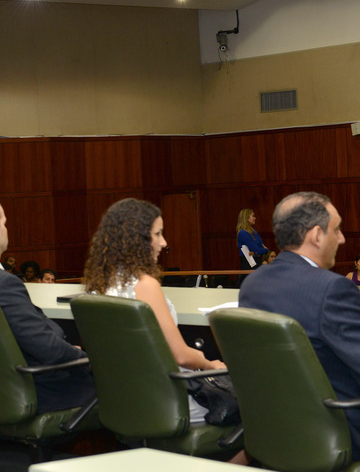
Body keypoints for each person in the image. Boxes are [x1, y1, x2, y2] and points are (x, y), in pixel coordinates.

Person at [0, 197, 95, 413]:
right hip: (35, 387)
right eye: (5, 223)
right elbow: (46, 347)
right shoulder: (2, 283)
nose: (6, 229)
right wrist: (86, 359)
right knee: (118, 384)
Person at [240, 192, 360, 460]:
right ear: (316, 235)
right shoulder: (332, 289)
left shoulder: (253, 284)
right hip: (338, 429)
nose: (342, 238)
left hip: (275, 428)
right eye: (337, 230)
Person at [83, 199, 226, 423]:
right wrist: (212, 365)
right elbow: (180, 356)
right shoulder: (145, 285)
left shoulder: (100, 285)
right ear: (137, 239)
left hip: (123, 400)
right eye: (158, 234)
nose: (164, 242)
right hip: (169, 400)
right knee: (252, 407)